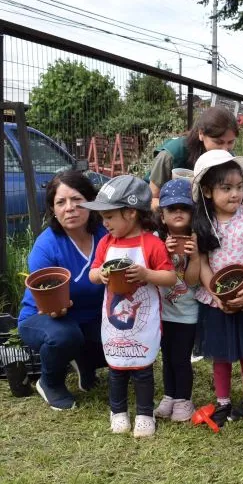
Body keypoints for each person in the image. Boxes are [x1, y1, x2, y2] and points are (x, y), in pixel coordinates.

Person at [83, 175, 176, 438]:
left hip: (142, 321)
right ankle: (118, 411)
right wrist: (100, 274)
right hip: (114, 318)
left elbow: (170, 277)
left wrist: (146, 275)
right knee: (116, 368)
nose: (105, 223)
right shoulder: (106, 243)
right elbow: (92, 273)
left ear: (131, 213)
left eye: (110, 216)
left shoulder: (152, 244)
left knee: (143, 370)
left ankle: (145, 414)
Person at [191, 150, 243, 427]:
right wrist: (215, 295)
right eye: (226, 188)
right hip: (217, 299)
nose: (235, 194)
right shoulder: (202, 224)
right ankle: (223, 402)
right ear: (207, 191)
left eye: (239, 187)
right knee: (222, 352)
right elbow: (203, 264)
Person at [18, 171, 108, 411]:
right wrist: (53, 309)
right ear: (53, 209)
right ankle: (49, 382)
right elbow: (46, 302)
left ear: (91, 202)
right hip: (43, 317)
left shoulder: (106, 235)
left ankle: (85, 363)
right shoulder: (46, 246)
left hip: (91, 318)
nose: (70, 208)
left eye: (77, 200)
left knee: (127, 331)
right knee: (65, 336)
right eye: (61, 202)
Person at [152, 179, 202, 423]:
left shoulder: (196, 240)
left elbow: (192, 281)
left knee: (181, 358)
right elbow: (154, 274)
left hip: (187, 313)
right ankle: (169, 395)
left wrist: (193, 257)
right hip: (162, 312)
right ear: (162, 216)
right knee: (167, 356)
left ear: (192, 213)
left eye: (184, 207)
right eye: (172, 209)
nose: (178, 212)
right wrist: (165, 251)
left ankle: (184, 399)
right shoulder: (156, 240)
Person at [148, 106, 239, 210]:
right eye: (218, 142)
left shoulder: (228, 156)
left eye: (230, 142)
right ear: (201, 133)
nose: (225, 150)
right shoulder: (171, 155)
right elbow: (152, 199)